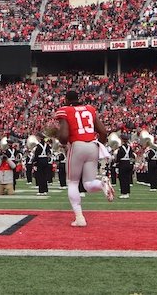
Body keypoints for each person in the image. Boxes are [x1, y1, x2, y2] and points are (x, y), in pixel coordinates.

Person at [55, 90, 115, 227]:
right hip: (93, 144)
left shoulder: (65, 111)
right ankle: (101, 184)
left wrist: (61, 139)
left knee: (73, 182)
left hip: (77, 145)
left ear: (66, 100)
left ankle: (79, 217)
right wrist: (100, 145)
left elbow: (64, 137)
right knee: (89, 183)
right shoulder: (89, 109)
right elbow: (103, 132)